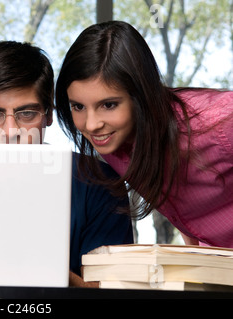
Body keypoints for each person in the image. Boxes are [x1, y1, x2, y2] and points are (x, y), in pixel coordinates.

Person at [0, 41, 133, 285]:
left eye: (27, 114)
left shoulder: (99, 182)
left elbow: (108, 292)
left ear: (49, 114)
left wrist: (31, 260)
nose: (11, 131)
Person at [55, 21, 233, 247]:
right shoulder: (112, 142)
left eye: (109, 105)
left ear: (141, 95)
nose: (91, 125)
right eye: (78, 107)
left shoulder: (220, 121)